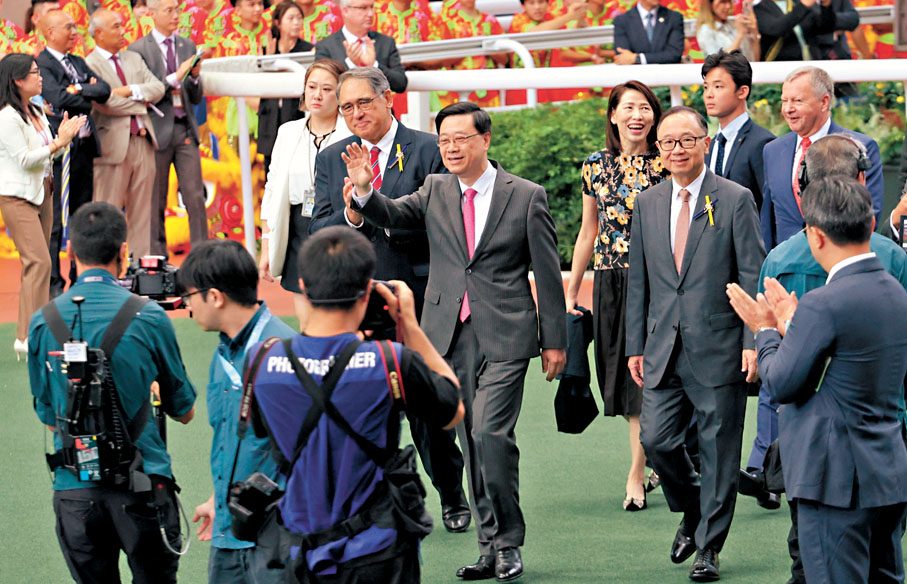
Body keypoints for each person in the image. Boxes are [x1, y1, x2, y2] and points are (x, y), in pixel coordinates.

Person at [343, 101, 568, 581]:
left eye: (460, 139)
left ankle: (508, 541)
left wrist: (555, 339)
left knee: (490, 434)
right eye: (443, 140)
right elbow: (393, 215)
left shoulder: (526, 196)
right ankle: (489, 547)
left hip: (508, 332)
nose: (450, 148)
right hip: (450, 332)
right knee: (470, 437)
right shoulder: (435, 189)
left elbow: (548, 274)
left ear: (485, 140)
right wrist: (364, 188)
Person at [248, 225, 464, 583]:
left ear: (303, 287)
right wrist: (408, 325)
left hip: (296, 550)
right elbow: (452, 408)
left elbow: (261, 430)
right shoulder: (389, 360)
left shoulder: (263, 361)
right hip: (376, 551)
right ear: (367, 292)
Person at [310, 67, 472, 536]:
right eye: (346, 108)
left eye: (364, 103)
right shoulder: (332, 157)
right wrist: (351, 215)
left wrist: (371, 202)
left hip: (418, 297)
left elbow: (443, 222)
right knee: (356, 407)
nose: (356, 114)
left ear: (388, 100)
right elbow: (321, 230)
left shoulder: (428, 148)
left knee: (424, 408)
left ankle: (451, 493)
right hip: (355, 304)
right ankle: (370, 504)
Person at [739, 133, 907, 584]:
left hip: (832, 476)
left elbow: (782, 382)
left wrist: (767, 331)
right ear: (871, 222)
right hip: (887, 465)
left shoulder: (820, 300)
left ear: (814, 234)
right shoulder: (894, 287)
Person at [626, 106, 764, 582]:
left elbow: (752, 273)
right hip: (662, 347)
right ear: (658, 150)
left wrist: (753, 339)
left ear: (705, 143)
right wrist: (634, 346)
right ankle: (692, 510)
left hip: (721, 346)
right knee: (656, 440)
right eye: (668, 143)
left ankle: (709, 547)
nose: (677, 149)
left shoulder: (735, 198)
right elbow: (639, 283)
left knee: (720, 451)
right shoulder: (647, 203)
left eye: (687, 140)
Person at [27, 201, 197, 584]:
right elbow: (184, 410)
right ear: (124, 252)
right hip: (143, 486)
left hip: (74, 489)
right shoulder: (149, 315)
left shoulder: (43, 322)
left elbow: (45, 411)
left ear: (69, 252)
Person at [564, 80, 669, 512]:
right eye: (628, 108)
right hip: (612, 281)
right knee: (628, 385)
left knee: (650, 382)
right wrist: (571, 290)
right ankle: (649, 461)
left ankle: (636, 472)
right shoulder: (595, 166)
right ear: (613, 115)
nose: (637, 116)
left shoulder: (668, 162)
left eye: (644, 108)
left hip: (661, 281)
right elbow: (588, 230)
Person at [175, 239, 295, 584]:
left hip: (274, 538)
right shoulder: (222, 354)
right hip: (229, 534)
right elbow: (233, 437)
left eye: (189, 297)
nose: (188, 307)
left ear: (214, 296)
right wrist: (219, 497)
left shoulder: (283, 354)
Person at [0, 52, 85, 358]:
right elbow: (24, 158)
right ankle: (31, 333)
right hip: (18, 196)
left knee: (37, 263)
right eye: (34, 73)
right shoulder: (7, 117)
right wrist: (58, 143)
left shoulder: (35, 110)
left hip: (43, 191)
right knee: (40, 262)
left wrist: (64, 140)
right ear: (17, 81)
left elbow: (47, 155)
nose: (41, 77)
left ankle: (30, 332)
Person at [260, 59, 350, 328]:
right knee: (306, 316)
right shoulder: (288, 132)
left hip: (339, 225)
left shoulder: (353, 134)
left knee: (338, 311)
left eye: (326, 88)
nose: (317, 95)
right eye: (312, 87)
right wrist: (266, 246)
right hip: (299, 226)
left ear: (341, 94)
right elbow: (273, 189)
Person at [761, 65, 882, 250]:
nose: (787, 109)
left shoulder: (858, 147)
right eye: (784, 100)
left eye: (797, 101)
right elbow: (768, 219)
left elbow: (869, 213)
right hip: (788, 268)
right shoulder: (773, 150)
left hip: (837, 264)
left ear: (824, 102)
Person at [37, 9, 111, 296]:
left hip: (84, 151)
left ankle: (80, 278)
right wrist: (84, 94)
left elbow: (103, 90)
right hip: (59, 154)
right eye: (68, 27)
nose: (74, 32)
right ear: (50, 32)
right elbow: (57, 98)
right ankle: (54, 285)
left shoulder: (78, 62)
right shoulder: (42, 63)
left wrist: (78, 87)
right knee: (55, 221)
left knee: (82, 218)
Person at [129, 0, 208, 258]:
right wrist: (177, 75)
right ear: (152, 15)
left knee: (195, 196)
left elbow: (195, 97)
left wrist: (195, 77)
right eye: (169, 11)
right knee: (156, 200)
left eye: (177, 10)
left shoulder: (187, 45)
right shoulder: (138, 50)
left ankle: (202, 256)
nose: (175, 16)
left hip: (184, 129)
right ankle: (158, 258)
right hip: (155, 132)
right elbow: (144, 93)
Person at [86, 8, 165, 261]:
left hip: (143, 141)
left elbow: (158, 88)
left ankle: (141, 269)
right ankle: (105, 267)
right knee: (107, 213)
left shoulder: (133, 58)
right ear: (98, 33)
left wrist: (129, 90)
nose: (123, 31)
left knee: (143, 214)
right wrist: (141, 103)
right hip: (111, 148)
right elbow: (104, 103)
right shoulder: (89, 64)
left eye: (122, 25)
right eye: (116, 27)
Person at [702, 49, 774, 211]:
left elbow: (769, 206)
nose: (708, 94)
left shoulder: (762, 143)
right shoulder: (712, 145)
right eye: (706, 87)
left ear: (742, 91)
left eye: (718, 86)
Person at [257, 1, 313, 176]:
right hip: (270, 119)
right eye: (291, 18)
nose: (297, 23)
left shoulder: (308, 51)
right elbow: (260, 85)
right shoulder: (266, 50)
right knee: (271, 171)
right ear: (278, 23)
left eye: (299, 18)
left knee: (296, 170)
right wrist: (269, 59)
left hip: (296, 115)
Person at [313, 0, 407, 94]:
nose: (370, 14)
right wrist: (350, 64)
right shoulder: (326, 46)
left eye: (372, 7)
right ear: (345, 11)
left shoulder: (386, 42)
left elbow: (401, 83)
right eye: (363, 8)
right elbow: (324, 85)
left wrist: (373, 66)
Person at [752, 0, 835, 62]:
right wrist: (803, 5)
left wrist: (826, 6)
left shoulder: (796, 3)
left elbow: (826, 28)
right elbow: (775, 28)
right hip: (781, 67)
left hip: (811, 62)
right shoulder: (759, 9)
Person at [613, 0, 684, 65]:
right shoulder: (622, 21)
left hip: (666, 74)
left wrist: (638, 58)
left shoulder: (674, 18)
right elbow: (623, 56)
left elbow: (674, 54)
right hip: (636, 75)